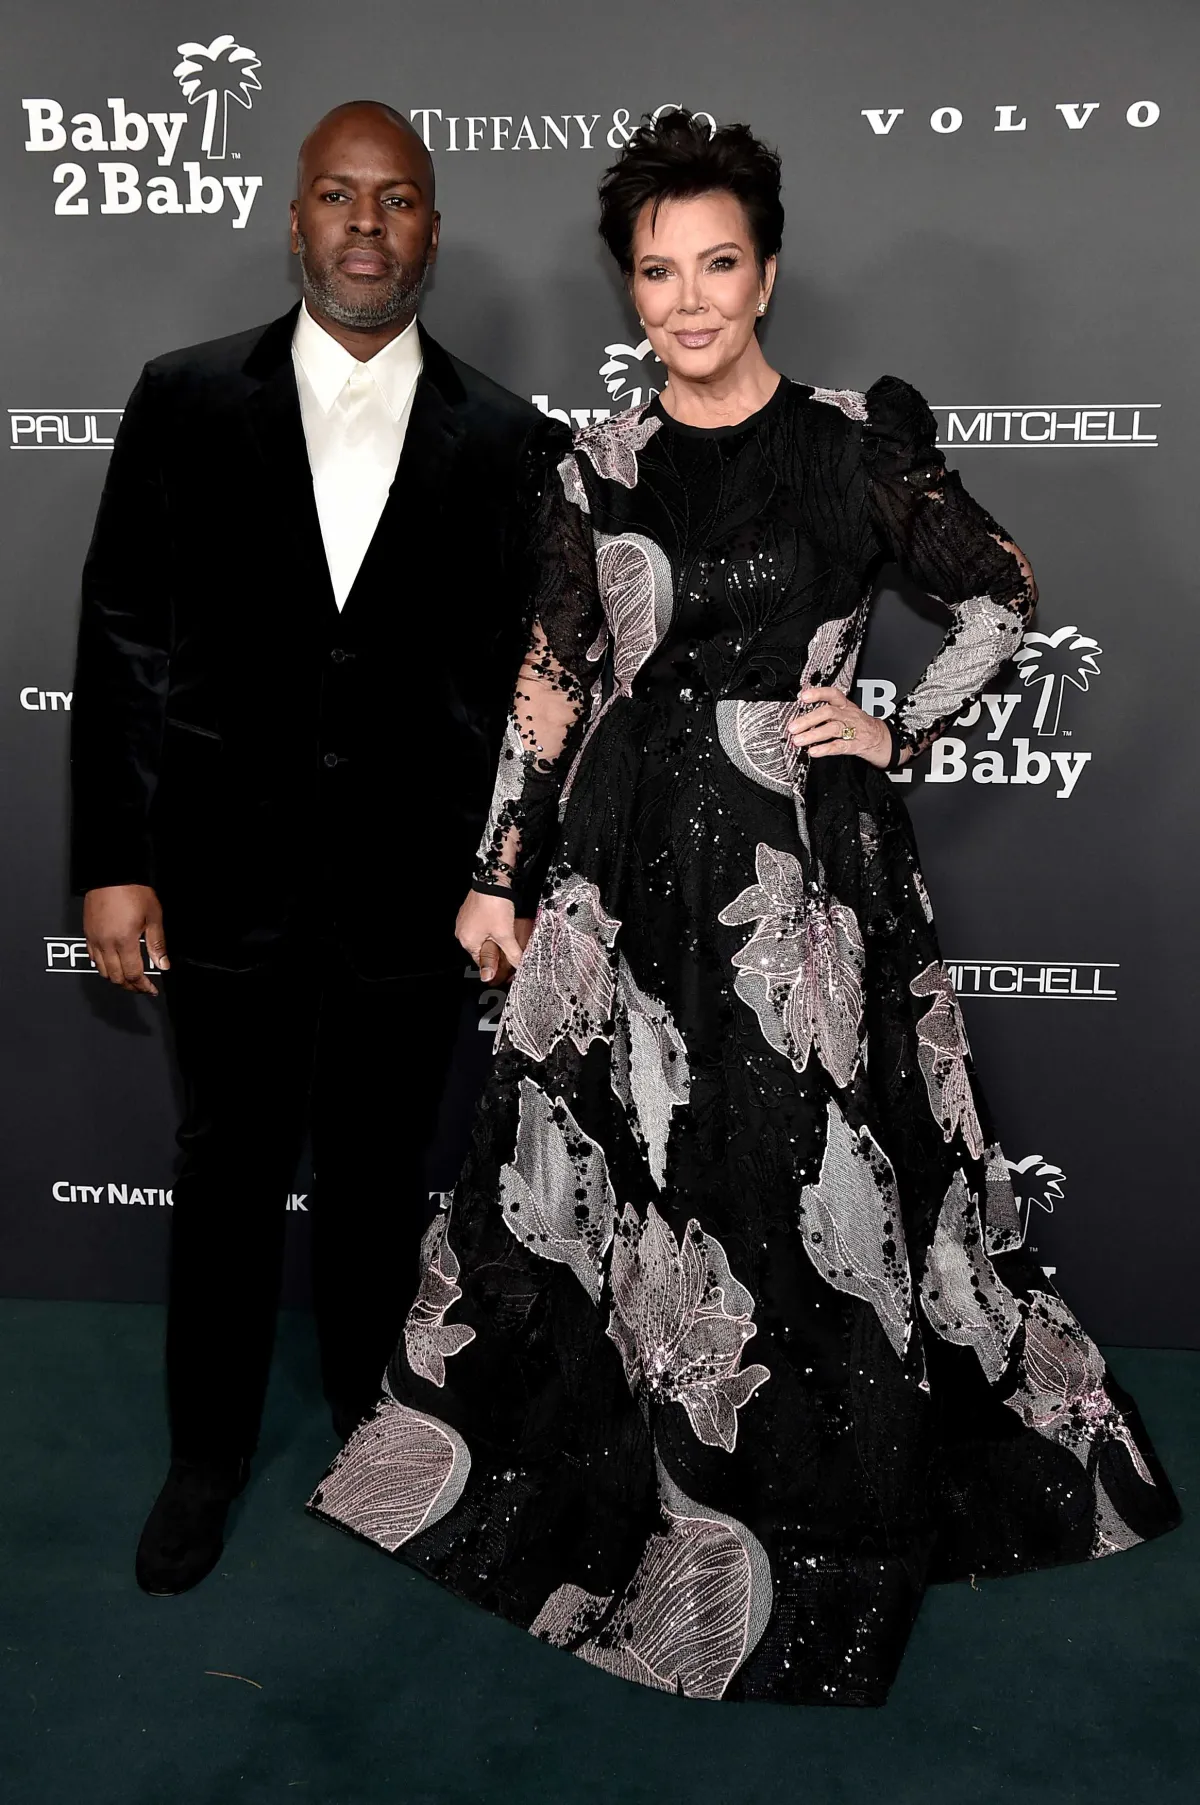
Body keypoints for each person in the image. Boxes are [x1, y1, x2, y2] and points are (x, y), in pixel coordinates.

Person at [309, 111, 1180, 1706]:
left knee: (801, 1184)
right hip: (622, 876)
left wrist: (899, 722)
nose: (690, 299)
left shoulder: (858, 442)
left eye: (719, 264)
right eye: (659, 272)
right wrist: (497, 875)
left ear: (767, 271)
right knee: (607, 1184)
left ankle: (801, 1516)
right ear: (631, 292)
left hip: (801, 890)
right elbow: (554, 680)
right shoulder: (600, 464)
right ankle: (627, 1484)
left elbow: (998, 587)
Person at [71, 101, 554, 1595]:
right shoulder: (181, 398)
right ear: (293, 221)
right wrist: (113, 856)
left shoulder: (512, 440)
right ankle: (203, 1457)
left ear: (430, 230)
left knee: (372, 1174)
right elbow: (125, 638)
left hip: (415, 891)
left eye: (396, 199)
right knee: (222, 1167)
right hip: (221, 874)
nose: (364, 223)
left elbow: (527, 678)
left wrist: (501, 871)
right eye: (338, 196)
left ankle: (369, 1429)